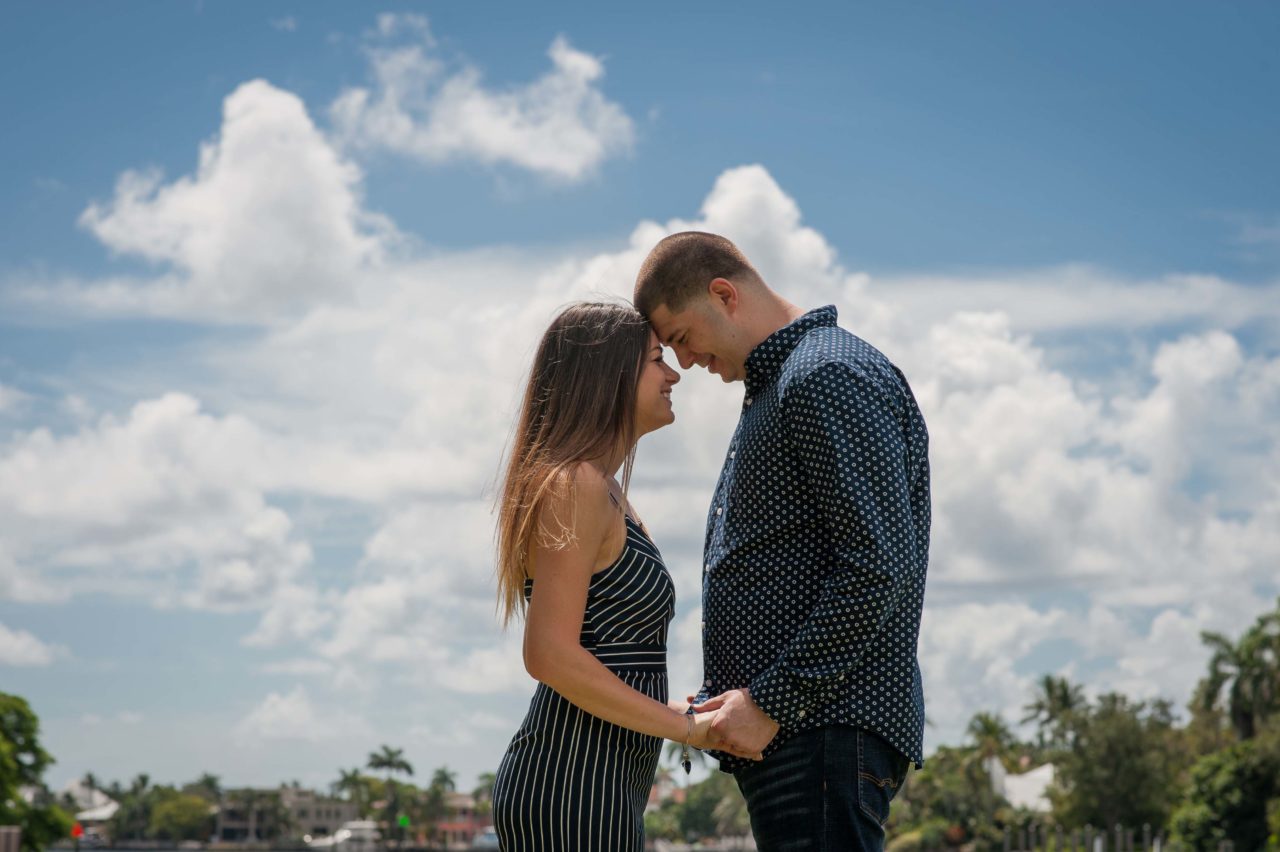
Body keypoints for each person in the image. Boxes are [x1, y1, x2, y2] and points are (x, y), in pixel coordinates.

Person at [634, 232, 931, 851]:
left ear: (724, 294)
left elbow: (879, 565)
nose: (684, 364)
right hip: (803, 732)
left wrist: (770, 700)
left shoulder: (826, 374)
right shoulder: (783, 383)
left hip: (820, 729)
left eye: (683, 337)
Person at [490, 302, 761, 852]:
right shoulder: (575, 485)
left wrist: (687, 715)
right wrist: (681, 726)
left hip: (606, 784)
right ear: (609, 376)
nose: (674, 373)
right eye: (657, 359)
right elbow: (549, 655)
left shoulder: (609, 492)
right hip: (570, 784)